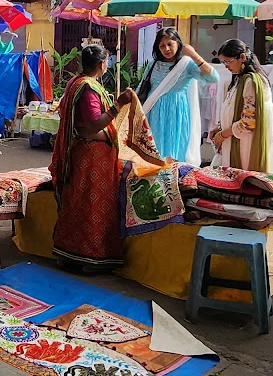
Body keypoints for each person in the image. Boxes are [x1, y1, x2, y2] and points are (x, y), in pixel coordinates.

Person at [50, 45, 139, 271]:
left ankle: (67, 253)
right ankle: (88, 258)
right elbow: (92, 125)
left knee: (75, 202)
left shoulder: (75, 82)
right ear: (102, 64)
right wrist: (118, 104)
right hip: (90, 158)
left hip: (80, 154)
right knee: (91, 205)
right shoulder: (88, 88)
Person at [137, 27, 217, 165]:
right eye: (162, 46)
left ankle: (173, 180)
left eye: (170, 44)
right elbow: (141, 87)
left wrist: (193, 55)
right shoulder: (153, 64)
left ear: (178, 43)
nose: (166, 49)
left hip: (176, 112)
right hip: (153, 111)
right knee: (154, 148)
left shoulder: (187, 64)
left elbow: (213, 78)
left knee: (175, 148)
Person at [209, 38, 273, 173]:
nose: (226, 66)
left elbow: (249, 122)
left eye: (228, 62)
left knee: (244, 176)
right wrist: (219, 127)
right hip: (235, 136)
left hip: (247, 141)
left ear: (242, 57)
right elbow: (232, 107)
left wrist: (223, 135)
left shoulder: (252, 82)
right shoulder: (239, 79)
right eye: (224, 63)